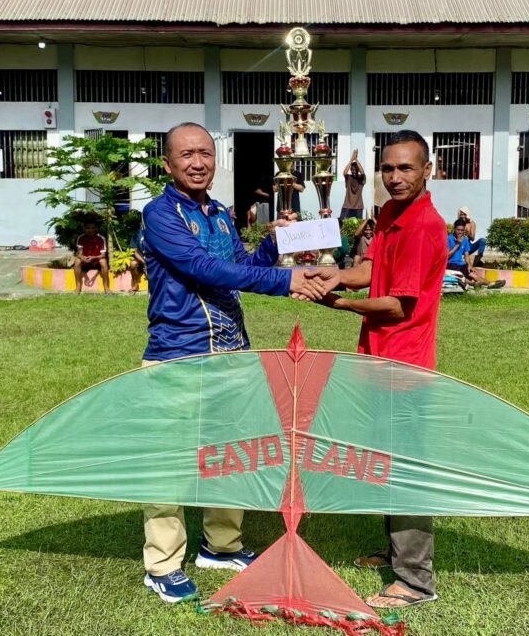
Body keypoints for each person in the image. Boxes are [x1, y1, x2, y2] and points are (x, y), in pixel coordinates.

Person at [140, 122, 328, 605]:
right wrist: (285, 282)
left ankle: (220, 546)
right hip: (177, 355)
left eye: (205, 152)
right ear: (168, 163)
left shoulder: (219, 213)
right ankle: (162, 563)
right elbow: (203, 269)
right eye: (187, 155)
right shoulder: (160, 214)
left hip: (230, 354)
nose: (198, 162)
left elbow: (238, 263)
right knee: (169, 464)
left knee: (231, 456)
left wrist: (274, 243)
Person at [312, 130, 445, 608]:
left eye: (406, 168)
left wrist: (340, 302)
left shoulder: (425, 225)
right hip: (378, 360)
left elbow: (395, 306)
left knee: (405, 467)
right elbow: (375, 270)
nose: (395, 178)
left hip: (404, 368)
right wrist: (337, 275)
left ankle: (415, 581)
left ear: (428, 171)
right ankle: (396, 554)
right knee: (386, 463)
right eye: (387, 169)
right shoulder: (391, 214)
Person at [448, 219, 504, 289]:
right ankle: (473, 284)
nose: (460, 232)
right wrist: (457, 244)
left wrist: (469, 265)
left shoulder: (465, 240)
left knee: (472, 273)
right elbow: (446, 256)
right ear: (454, 229)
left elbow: (466, 255)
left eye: (462, 230)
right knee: (460, 275)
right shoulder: (448, 239)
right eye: (458, 230)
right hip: (450, 265)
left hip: (460, 265)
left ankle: (491, 284)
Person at [73, 219, 111, 294]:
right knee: (77, 261)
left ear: (96, 228)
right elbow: (79, 253)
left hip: (96, 261)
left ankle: (106, 288)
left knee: (103, 261)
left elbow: (103, 255)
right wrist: (82, 257)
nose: (90, 230)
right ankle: (78, 287)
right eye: (88, 228)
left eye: (92, 228)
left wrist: (93, 257)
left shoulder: (101, 238)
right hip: (85, 261)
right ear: (84, 228)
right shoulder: (81, 238)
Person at [339, 149, 366, 220]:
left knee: (359, 226)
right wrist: (351, 159)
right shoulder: (349, 178)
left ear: (358, 170)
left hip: (358, 206)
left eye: (355, 170)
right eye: (352, 170)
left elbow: (362, 172)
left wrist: (356, 160)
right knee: (341, 223)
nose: (354, 171)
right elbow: (344, 172)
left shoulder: (361, 179)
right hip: (347, 205)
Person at [128, 212, 146, 294]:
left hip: (154, 259)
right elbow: (134, 251)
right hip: (141, 259)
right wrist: (144, 261)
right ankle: (135, 285)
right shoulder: (137, 234)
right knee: (132, 264)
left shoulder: (156, 232)